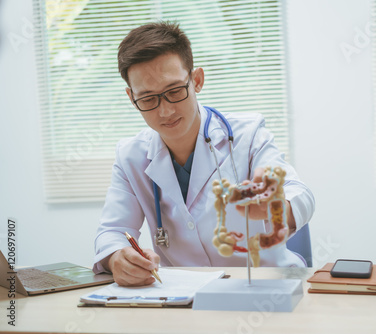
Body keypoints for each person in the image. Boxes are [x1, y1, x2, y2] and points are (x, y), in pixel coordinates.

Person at [93, 21, 315, 286]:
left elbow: (300, 193)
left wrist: (276, 205)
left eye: (174, 91)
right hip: (186, 296)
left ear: (196, 80)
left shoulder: (248, 133)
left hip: (266, 286)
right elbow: (112, 232)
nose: (165, 111)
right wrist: (117, 257)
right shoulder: (130, 156)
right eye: (148, 99)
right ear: (131, 97)